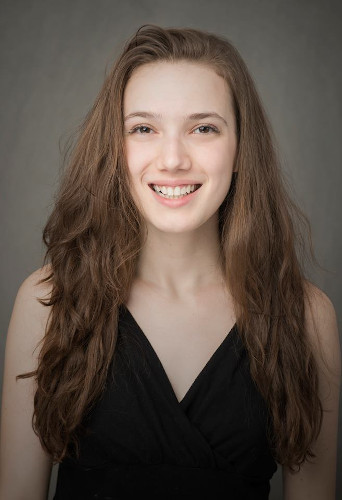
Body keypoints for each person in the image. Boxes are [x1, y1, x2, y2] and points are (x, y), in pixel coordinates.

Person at [0, 24, 340, 500]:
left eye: (203, 128)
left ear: (241, 148)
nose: (173, 159)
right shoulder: (47, 303)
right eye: (143, 128)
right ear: (115, 152)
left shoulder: (307, 317)